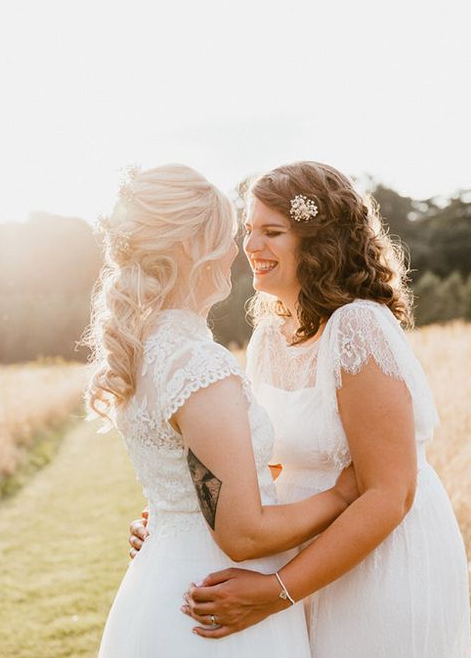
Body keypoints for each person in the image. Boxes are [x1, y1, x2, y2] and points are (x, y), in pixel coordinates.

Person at [132, 161, 471, 656]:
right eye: (249, 231)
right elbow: (249, 457)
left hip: (373, 560)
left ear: (319, 241)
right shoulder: (270, 333)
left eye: (272, 231)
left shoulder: (358, 327)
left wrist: (278, 591)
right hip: (295, 550)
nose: (251, 247)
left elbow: (389, 493)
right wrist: (177, 515)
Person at [88, 164, 357, 657]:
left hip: (165, 579)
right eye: (229, 235)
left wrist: (164, 517)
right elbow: (243, 532)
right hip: (215, 603)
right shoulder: (195, 362)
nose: (238, 251)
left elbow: (193, 477)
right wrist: (343, 495)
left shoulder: (146, 348)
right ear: (193, 246)